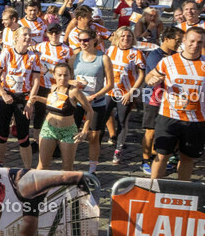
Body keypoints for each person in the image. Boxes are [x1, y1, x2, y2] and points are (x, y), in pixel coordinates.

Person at [145, 26, 205, 181]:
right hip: (168, 116)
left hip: (196, 120)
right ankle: (153, 192)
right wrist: (151, 80)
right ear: (184, 40)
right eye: (192, 41)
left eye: (200, 42)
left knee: (187, 158)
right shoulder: (168, 61)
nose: (195, 45)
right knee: (162, 155)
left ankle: (182, 194)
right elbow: (150, 76)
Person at [26, 63, 92, 171]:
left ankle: (65, 188)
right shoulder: (53, 88)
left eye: (65, 75)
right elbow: (55, 103)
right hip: (49, 129)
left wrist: (84, 131)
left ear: (70, 76)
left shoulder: (74, 91)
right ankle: (39, 187)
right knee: (42, 166)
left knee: (67, 168)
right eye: (59, 75)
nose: (62, 78)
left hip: (68, 131)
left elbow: (90, 111)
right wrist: (38, 98)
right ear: (54, 76)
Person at [0, 27, 40, 169]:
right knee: (3, 132)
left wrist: (30, 102)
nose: (27, 37)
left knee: (23, 134)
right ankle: (0, 163)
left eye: (29, 35)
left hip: (23, 97)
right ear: (16, 37)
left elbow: (36, 81)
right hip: (6, 96)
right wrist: (3, 93)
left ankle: (27, 168)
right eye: (24, 34)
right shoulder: (7, 53)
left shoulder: (33, 56)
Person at [70, 30, 114, 173]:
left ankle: (92, 168)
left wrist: (94, 96)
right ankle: (70, 164)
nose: (83, 43)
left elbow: (110, 84)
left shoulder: (104, 58)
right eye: (80, 40)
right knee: (73, 133)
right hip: (77, 102)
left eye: (86, 40)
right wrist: (74, 83)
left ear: (94, 40)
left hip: (96, 102)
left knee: (94, 136)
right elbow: (67, 78)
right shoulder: (75, 57)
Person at [140, 27, 182, 174]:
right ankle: (145, 160)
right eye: (177, 40)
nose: (179, 43)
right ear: (166, 39)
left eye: (181, 41)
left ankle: (165, 157)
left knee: (170, 129)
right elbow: (160, 75)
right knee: (150, 130)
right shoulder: (155, 55)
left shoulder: (177, 55)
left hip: (171, 99)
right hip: (154, 98)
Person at [105, 27, 145, 164]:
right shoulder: (110, 50)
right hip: (109, 92)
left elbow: (142, 75)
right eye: (122, 36)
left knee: (122, 121)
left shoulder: (136, 53)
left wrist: (131, 92)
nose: (125, 39)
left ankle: (118, 149)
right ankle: (97, 146)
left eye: (128, 36)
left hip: (125, 94)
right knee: (102, 118)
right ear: (117, 37)